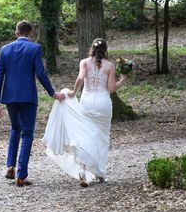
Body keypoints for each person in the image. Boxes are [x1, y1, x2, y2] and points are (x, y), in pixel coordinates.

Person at [42, 38, 126, 187]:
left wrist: (74, 92)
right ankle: (99, 173)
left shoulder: (85, 62)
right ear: (105, 50)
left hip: (87, 102)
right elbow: (112, 88)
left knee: (86, 135)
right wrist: (122, 80)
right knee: (101, 138)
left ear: (91, 49)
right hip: (103, 104)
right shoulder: (110, 66)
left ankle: (82, 169)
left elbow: (80, 78)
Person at [0, 20, 65, 187]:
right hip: (28, 97)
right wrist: (52, 92)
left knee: (15, 128)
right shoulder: (34, 49)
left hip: (9, 97)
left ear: (16, 33)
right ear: (31, 33)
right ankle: (21, 175)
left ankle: (10, 166)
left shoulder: (5, 50)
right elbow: (40, 73)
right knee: (27, 134)